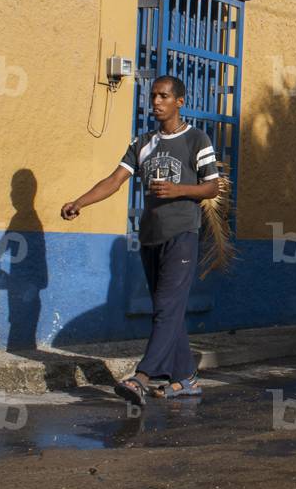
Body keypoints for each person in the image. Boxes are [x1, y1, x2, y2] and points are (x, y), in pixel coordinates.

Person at [61, 76, 219, 405]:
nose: (156, 102)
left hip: (183, 236)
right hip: (150, 237)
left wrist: (179, 190)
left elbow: (212, 187)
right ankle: (186, 376)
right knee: (167, 311)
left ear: (179, 101)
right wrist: (80, 202)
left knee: (166, 308)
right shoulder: (143, 142)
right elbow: (115, 180)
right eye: (154, 96)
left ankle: (142, 377)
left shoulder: (197, 140)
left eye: (164, 96)